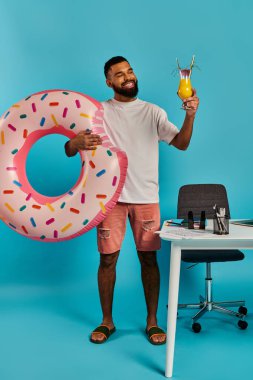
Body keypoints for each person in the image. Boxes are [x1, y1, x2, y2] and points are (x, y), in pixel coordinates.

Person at [65, 56, 199, 345]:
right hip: (108, 199)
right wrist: (74, 144)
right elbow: (68, 147)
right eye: (119, 74)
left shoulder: (153, 112)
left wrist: (190, 115)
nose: (127, 77)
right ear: (109, 82)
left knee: (148, 258)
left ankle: (152, 322)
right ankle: (107, 322)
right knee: (107, 259)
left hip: (146, 198)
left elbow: (182, 143)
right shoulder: (97, 112)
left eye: (130, 71)